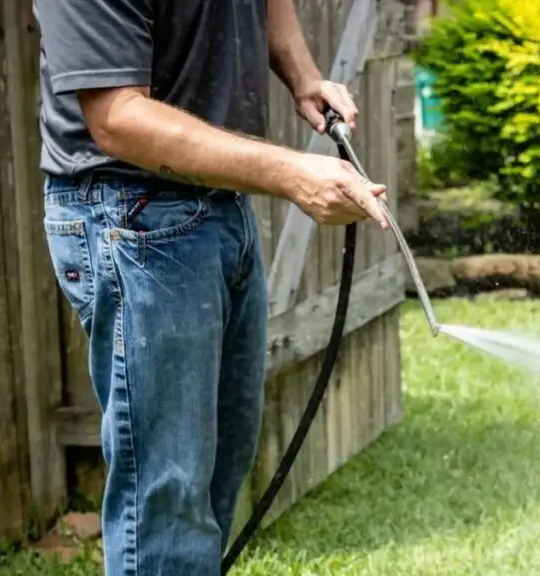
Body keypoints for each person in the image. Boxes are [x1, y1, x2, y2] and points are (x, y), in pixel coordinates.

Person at [32, 0, 389, 573]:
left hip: (221, 205)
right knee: (168, 505)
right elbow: (117, 117)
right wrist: (292, 172)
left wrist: (301, 74)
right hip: (134, 217)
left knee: (219, 473)